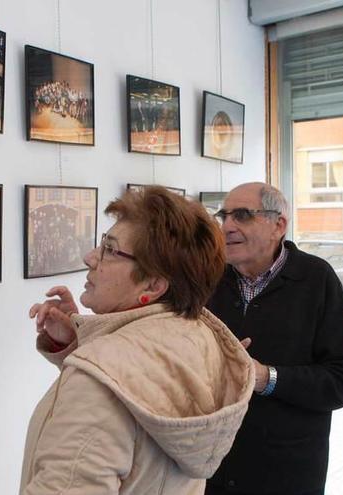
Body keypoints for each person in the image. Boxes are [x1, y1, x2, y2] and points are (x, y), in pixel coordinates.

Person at [21, 186, 255, 494]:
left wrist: (90, 362)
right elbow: (147, 393)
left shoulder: (97, 382)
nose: (90, 257)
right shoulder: (197, 336)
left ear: (154, 284)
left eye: (110, 249)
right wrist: (79, 342)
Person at [205, 182, 343, 495]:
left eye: (242, 216)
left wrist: (266, 377)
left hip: (285, 473)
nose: (228, 227)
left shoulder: (316, 280)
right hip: (212, 468)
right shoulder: (209, 277)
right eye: (224, 216)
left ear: (279, 225)